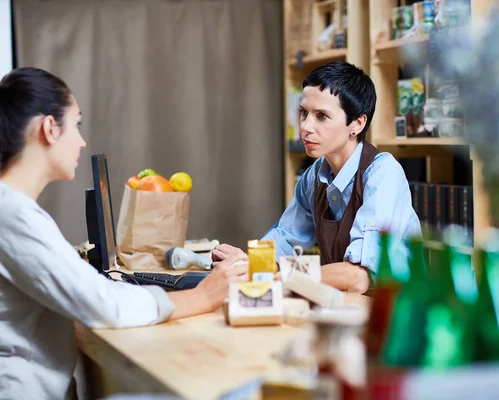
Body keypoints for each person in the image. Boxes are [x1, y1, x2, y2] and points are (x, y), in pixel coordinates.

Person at [0, 67, 248, 399]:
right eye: (76, 125)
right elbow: (103, 304)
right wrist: (203, 296)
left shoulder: (14, 210)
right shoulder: (13, 214)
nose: (81, 140)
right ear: (49, 128)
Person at [213, 61, 421, 294]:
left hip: (399, 315)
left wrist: (280, 276)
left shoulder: (383, 175)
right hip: (348, 307)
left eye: (321, 116)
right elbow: (286, 241)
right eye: (304, 113)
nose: (305, 127)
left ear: (357, 123)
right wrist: (247, 264)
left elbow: (358, 277)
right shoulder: (313, 177)